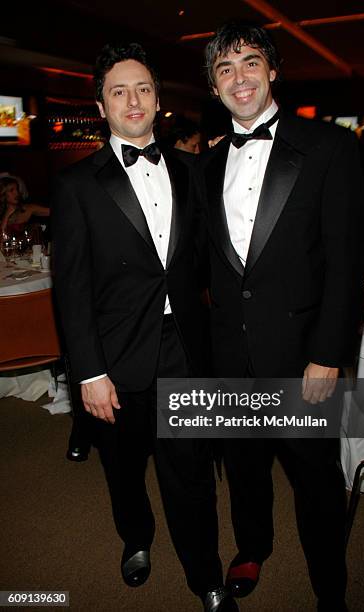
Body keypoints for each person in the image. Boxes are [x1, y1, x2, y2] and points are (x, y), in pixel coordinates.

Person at [51, 42, 237, 612]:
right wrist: (89, 372)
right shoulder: (78, 185)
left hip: (184, 347)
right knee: (125, 470)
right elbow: (72, 289)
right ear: (102, 106)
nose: (133, 100)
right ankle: (136, 538)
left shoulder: (191, 170)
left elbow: (216, 257)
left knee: (191, 476)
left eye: (143, 89)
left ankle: (205, 576)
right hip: (114, 357)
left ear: (158, 100)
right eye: (118, 91)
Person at [199, 22, 364, 611]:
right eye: (224, 68)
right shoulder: (207, 165)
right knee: (243, 466)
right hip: (230, 354)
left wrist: (329, 355)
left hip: (301, 356)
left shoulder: (330, 148)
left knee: (315, 482)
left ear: (272, 70)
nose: (238, 77)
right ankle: (251, 548)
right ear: (214, 88)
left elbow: (347, 265)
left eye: (249, 62)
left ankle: (330, 589)